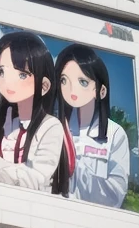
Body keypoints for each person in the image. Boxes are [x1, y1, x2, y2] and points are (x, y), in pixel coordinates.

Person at [0, 31, 69, 194]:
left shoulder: (50, 127)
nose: (8, 82)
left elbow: (28, 182)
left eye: (22, 74)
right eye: (1, 72)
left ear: (44, 86)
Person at [54, 43, 131, 209]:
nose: (72, 89)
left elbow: (114, 196)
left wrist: (73, 169)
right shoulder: (54, 127)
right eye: (64, 80)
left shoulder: (115, 134)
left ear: (101, 91)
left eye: (82, 82)